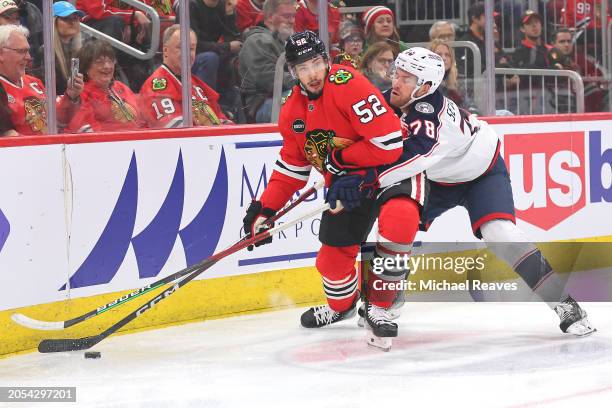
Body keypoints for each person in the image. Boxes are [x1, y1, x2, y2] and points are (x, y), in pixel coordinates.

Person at [382, 46, 596, 337]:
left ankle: (564, 304)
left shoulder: (430, 115)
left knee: (501, 235)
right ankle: (388, 295)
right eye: (397, 73)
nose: (396, 82)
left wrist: (365, 179)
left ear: (426, 87)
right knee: (397, 222)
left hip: (481, 172)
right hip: (437, 177)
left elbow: (412, 158)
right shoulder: (393, 100)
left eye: (406, 78)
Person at [242, 31, 425, 350]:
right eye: (303, 67)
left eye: (316, 63)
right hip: (348, 184)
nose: (312, 73)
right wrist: (265, 209)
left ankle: (382, 302)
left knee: (399, 224)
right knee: (332, 261)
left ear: (326, 61)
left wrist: (344, 161)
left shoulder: (347, 84)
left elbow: (390, 145)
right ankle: (342, 306)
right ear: (292, 73)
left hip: (393, 171)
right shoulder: (291, 111)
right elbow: (291, 170)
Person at [140, 24, 231, 128]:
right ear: (165, 51)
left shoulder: (196, 85)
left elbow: (221, 119)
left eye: (191, 48)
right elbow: (175, 130)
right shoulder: (157, 86)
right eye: (181, 47)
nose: (187, 53)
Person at [0, 24, 83, 135]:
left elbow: (57, 121)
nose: (28, 57)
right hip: (28, 151)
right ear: (1, 53)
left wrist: (71, 96)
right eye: (21, 51)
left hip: (49, 148)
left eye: (28, 51)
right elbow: (8, 136)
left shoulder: (34, 82)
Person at [67, 39, 146, 133]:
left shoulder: (121, 87)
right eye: (99, 62)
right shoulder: (81, 93)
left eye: (110, 61)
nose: (107, 66)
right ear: (86, 67)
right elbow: (88, 132)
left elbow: (142, 119)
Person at [238, 0, 296, 123]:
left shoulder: (285, 40)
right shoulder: (256, 41)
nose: (292, 21)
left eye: (293, 16)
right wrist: (302, 82)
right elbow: (268, 77)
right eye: (286, 16)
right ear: (270, 17)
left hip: (283, 94)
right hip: (263, 103)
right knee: (305, 100)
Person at [32, 2, 84, 95]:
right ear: (53, 22)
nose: (72, 22)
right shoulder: (45, 52)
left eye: (75, 18)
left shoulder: (83, 50)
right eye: (66, 18)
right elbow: (42, 89)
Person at [429, 39, 477, 113]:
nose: (444, 58)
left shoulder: (458, 81)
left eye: (447, 55)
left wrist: (452, 87)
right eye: (439, 55)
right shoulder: (426, 83)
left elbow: (469, 107)